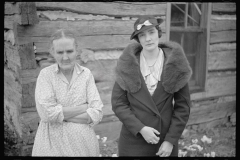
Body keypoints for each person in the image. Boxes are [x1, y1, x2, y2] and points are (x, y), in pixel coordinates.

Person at [111, 15, 192, 157]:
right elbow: (118, 104)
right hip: (133, 141)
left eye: (151, 32)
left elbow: (183, 107)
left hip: (164, 142)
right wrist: (140, 128)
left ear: (159, 33)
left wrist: (170, 140)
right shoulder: (127, 64)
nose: (148, 39)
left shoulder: (176, 64)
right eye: (142, 35)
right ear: (138, 39)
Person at [32, 29, 103, 156]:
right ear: (52, 52)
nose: (65, 57)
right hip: (52, 147)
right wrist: (84, 107)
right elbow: (46, 114)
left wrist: (59, 113)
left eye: (69, 51)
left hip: (84, 147)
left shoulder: (86, 74)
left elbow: (97, 113)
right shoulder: (46, 75)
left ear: (77, 50)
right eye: (60, 52)